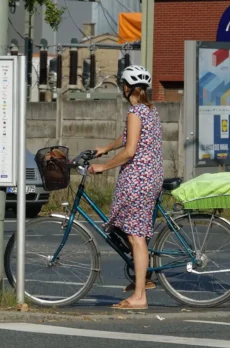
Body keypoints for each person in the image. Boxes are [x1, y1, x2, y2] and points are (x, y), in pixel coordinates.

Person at [87, 65, 164, 310]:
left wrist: (103, 166)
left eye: (123, 84)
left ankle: (140, 296)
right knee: (134, 234)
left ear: (127, 87)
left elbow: (130, 150)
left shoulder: (134, 113)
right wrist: (106, 148)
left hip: (137, 179)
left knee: (136, 237)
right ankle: (143, 280)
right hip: (151, 177)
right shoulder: (149, 111)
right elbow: (126, 138)